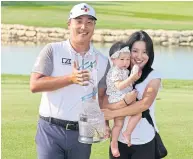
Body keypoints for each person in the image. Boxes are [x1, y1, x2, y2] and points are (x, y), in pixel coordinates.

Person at [30, 3, 115, 159]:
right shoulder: (53, 50)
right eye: (79, 21)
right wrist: (70, 78)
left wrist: (105, 124)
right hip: (50, 129)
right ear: (69, 24)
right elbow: (35, 85)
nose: (84, 26)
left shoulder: (103, 61)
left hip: (83, 131)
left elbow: (102, 97)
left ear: (94, 26)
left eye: (90, 22)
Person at [102, 30, 162, 159]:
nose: (139, 56)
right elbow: (106, 103)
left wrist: (113, 113)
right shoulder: (118, 73)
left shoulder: (154, 76)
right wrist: (108, 120)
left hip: (143, 140)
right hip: (118, 141)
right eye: (135, 51)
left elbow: (144, 104)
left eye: (145, 52)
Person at [106, 41, 142, 157]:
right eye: (122, 59)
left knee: (138, 113)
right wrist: (131, 78)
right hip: (117, 97)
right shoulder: (115, 71)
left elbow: (128, 83)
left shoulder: (124, 70)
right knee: (118, 123)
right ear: (113, 60)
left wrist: (133, 74)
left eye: (127, 59)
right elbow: (120, 86)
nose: (125, 62)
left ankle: (127, 132)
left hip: (125, 96)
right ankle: (114, 143)